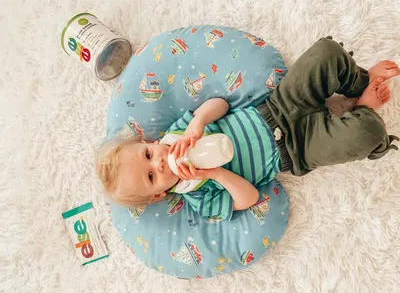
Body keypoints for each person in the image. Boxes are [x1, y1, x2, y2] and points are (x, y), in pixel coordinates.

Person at [96, 37, 399, 220]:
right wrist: (214, 174)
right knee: (366, 135)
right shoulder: (198, 196)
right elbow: (248, 199)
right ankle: (362, 110)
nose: (160, 162)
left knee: (326, 53)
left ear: (150, 141)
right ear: (158, 196)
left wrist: (198, 124)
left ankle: (358, 82)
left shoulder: (180, 132)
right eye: (152, 175)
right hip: (296, 150)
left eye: (148, 154)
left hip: (279, 106)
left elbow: (219, 105)